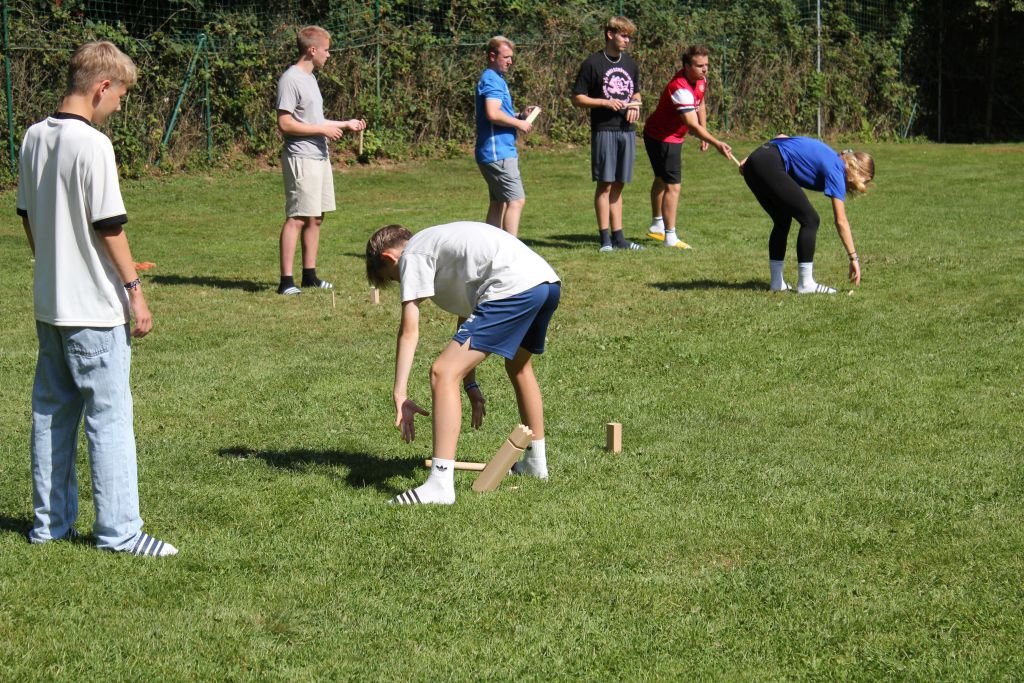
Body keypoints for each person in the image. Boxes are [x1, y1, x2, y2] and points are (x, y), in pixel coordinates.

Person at [15, 41, 177, 556]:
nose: (119, 107)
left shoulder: (33, 136)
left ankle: (49, 527)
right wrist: (135, 292)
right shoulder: (93, 145)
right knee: (109, 419)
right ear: (102, 87)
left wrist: (52, 264)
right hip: (94, 311)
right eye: (120, 96)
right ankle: (120, 533)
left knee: (51, 416)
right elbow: (109, 226)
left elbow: (28, 217)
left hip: (50, 305)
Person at [365, 222, 561, 505]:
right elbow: (468, 316)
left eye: (395, 279)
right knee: (518, 366)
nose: (404, 284)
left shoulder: (412, 255)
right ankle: (535, 463)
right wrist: (470, 383)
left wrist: (400, 393)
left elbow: (409, 331)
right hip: (545, 283)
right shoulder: (439, 244)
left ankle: (439, 484)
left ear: (389, 258)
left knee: (442, 373)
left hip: (512, 287)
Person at [276, 25, 365, 295]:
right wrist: (322, 131)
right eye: (326, 50)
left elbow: (314, 120)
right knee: (297, 217)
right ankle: (286, 282)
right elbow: (285, 123)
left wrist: (344, 124)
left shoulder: (311, 79)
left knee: (316, 217)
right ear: (312, 50)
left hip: (319, 155)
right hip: (301, 156)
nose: (329, 54)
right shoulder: (290, 79)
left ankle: (310, 276)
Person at [738, 136, 874, 293]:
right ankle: (806, 283)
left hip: (756, 160)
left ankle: (777, 283)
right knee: (811, 220)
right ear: (859, 172)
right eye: (865, 182)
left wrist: (752, 157)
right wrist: (853, 258)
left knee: (782, 219)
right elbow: (841, 221)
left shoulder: (831, 156)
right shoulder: (837, 169)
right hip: (769, 164)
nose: (861, 187)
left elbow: (781, 136)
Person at [643, 45, 733, 249]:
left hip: (660, 135)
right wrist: (716, 143)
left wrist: (704, 130)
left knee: (661, 179)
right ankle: (670, 237)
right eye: (700, 66)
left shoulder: (700, 80)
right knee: (673, 185)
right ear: (686, 66)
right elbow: (691, 124)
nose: (705, 69)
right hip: (664, 138)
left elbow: (700, 103)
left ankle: (657, 225)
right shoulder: (680, 88)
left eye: (706, 65)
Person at [571, 16, 644, 252]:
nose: (627, 40)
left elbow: (636, 93)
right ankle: (605, 240)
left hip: (627, 130)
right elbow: (578, 98)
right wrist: (604, 102)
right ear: (610, 34)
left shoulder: (630, 64)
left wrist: (635, 105)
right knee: (605, 183)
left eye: (629, 37)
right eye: (623, 36)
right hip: (604, 130)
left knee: (619, 184)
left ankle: (619, 238)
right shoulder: (592, 63)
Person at [475, 36, 537, 237]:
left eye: (511, 57)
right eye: (506, 57)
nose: (510, 61)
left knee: (498, 202)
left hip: (492, 152)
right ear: (492, 56)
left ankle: (490, 249)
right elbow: (492, 114)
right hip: (498, 152)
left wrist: (519, 115)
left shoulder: (494, 78)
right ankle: (511, 250)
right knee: (516, 200)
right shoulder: (492, 80)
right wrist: (520, 124)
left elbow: (498, 112)